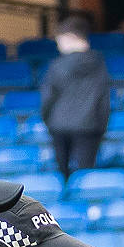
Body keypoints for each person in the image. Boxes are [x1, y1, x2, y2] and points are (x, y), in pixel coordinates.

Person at [39, 14, 110, 182]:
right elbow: (103, 100)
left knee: (62, 177)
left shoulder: (57, 66)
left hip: (59, 126)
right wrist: (101, 127)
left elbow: (47, 98)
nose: (58, 45)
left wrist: (48, 122)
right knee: (85, 177)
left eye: (59, 40)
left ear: (70, 37)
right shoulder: (99, 64)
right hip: (90, 126)